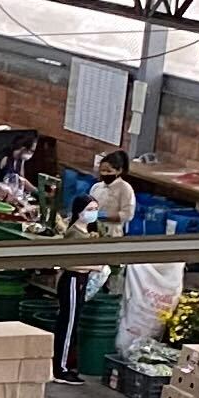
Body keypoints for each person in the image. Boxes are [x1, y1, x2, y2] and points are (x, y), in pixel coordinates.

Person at [60, 149, 139, 377]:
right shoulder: (97, 188)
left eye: (109, 171)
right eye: (102, 170)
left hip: (111, 236)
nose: (104, 174)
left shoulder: (125, 189)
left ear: (119, 171)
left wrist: (104, 217)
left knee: (107, 278)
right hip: (92, 237)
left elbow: (127, 215)